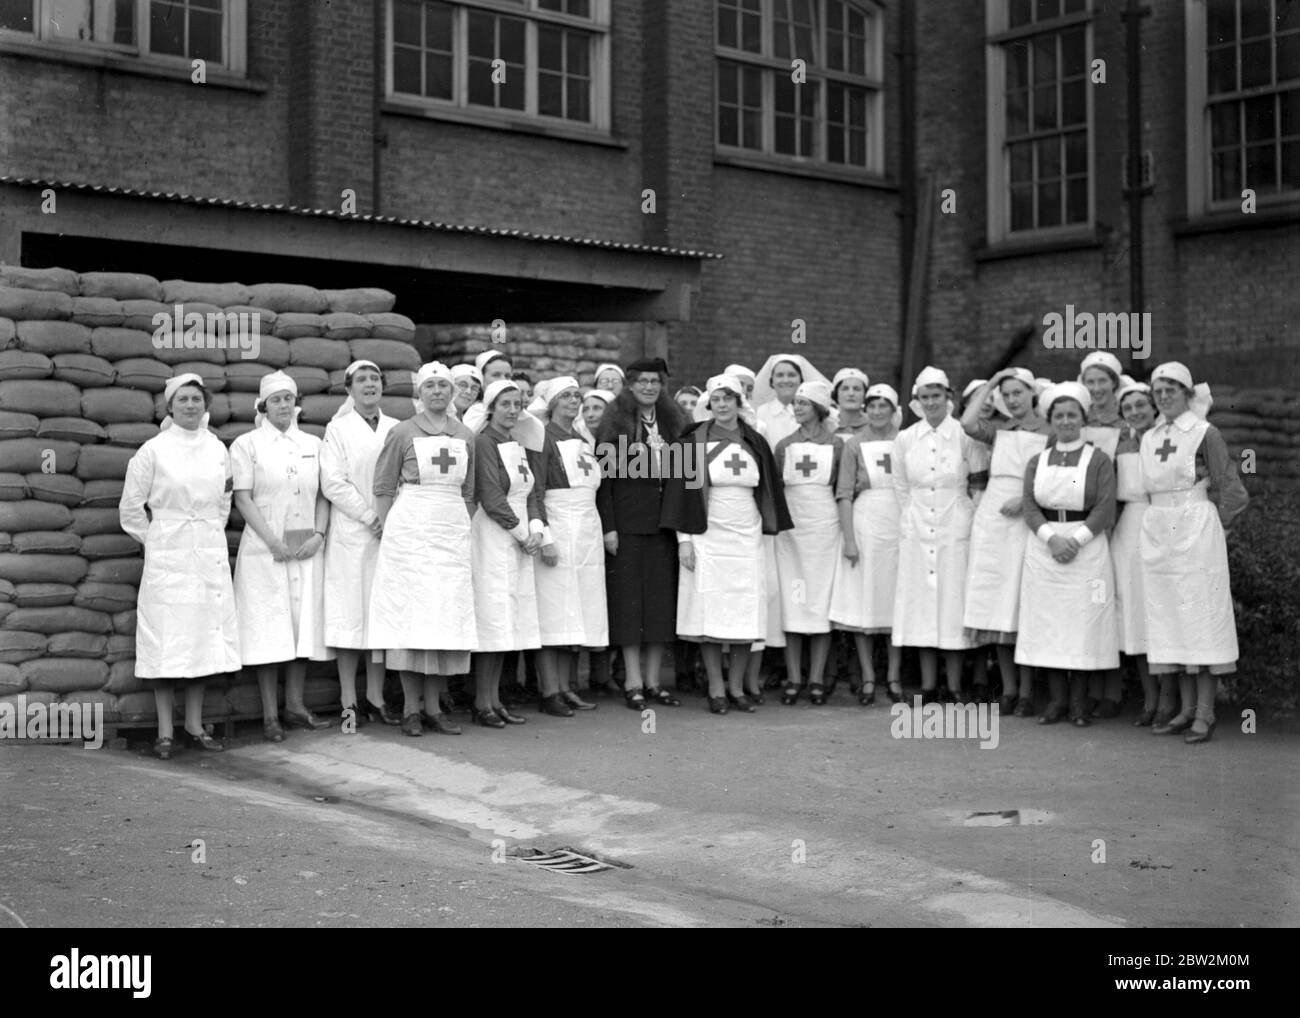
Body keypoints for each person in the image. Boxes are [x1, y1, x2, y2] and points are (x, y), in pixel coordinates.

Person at [120, 372, 239, 759]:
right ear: (169, 407)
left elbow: (225, 498)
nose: (191, 406)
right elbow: (131, 508)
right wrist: (157, 539)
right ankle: (166, 731)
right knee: (166, 638)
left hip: (206, 551)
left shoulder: (218, 449)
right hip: (168, 553)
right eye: (183, 400)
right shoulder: (153, 451)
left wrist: (207, 534)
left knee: (202, 637)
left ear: (206, 406)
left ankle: (193, 723)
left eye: (197, 399)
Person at [661, 374, 791, 714]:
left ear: (738, 403)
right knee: (710, 612)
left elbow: (768, 490)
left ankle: (736, 688)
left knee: (744, 610)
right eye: (716, 400)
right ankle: (716, 689)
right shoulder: (691, 442)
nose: (721, 405)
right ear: (709, 404)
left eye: (728, 399)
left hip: (746, 534)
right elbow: (679, 493)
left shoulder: (756, 441)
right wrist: (684, 541)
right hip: (706, 532)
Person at [366, 362, 477, 736]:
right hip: (410, 533)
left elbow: (470, 492)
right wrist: (391, 530)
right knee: (411, 620)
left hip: (450, 532)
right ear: (420, 392)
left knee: (443, 619)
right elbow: (382, 487)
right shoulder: (401, 433)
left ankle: (434, 707)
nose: (437, 393)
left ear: (451, 393)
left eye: (443, 386)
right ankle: (411, 709)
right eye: (430, 386)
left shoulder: (465, 435)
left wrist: (458, 527)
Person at [1141, 362, 1248, 744]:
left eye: (1171, 388)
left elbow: (1231, 488)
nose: (1164, 395)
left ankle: (1205, 712)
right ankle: (1184, 710)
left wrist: (1218, 525)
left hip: (1195, 529)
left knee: (1200, 621)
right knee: (1171, 619)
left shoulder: (1205, 432)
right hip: (1159, 532)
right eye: (1158, 390)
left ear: (1187, 393)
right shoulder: (1150, 436)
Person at [231, 371, 334, 742]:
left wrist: (320, 534)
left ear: (296, 403)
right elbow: (242, 497)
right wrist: (272, 541)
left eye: (288, 399)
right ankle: (270, 715)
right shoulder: (247, 444)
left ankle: (295, 706)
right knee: (268, 629)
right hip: (265, 549)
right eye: (275, 400)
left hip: (305, 545)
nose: (283, 406)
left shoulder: (313, 443)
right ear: (263, 405)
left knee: (300, 626)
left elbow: (324, 493)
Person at [1015, 382, 1120, 726]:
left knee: (1083, 626)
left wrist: (1074, 540)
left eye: (1071, 414)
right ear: (1050, 420)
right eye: (1058, 415)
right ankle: (1057, 702)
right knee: (1049, 626)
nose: (1065, 421)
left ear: (1083, 418)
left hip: (1086, 549)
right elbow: (1030, 506)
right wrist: (1051, 539)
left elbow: (1105, 507)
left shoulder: (1099, 460)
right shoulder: (1038, 461)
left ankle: (1079, 705)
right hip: (1045, 548)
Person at [595, 356, 689, 710]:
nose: (649, 387)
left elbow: (687, 477)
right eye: (642, 381)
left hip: (664, 526)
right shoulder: (615, 419)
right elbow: (603, 482)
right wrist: (610, 527)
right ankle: (632, 680)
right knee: (630, 604)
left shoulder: (674, 420)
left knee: (660, 605)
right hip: (628, 524)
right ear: (630, 385)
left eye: (655, 381)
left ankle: (653, 681)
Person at [959, 367, 1049, 716]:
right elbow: (967, 422)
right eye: (1006, 394)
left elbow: (1061, 477)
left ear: (1032, 393)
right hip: (994, 521)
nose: (1012, 400)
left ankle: (1027, 691)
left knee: (1022, 605)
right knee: (995, 603)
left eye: (1018, 393)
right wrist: (992, 382)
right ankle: (1009, 690)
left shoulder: (1050, 430)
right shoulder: (1000, 430)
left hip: (1029, 518)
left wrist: (1029, 503)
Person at [892, 367, 983, 702]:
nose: (931, 403)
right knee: (922, 607)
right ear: (917, 401)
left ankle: (955, 685)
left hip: (954, 524)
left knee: (951, 604)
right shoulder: (905, 438)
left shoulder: (963, 435)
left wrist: (964, 517)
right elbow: (901, 487)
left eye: (937, 396)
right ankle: (929, 686)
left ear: (949, 398)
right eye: (925, 397)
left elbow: (977, 481)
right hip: (917, 527)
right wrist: (912, 519)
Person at [319, 360, 401, 729]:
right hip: (354, 534)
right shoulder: (337, 430)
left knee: (380, 618)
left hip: (390, 534)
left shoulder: (397, 428)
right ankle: (349, 701)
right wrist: (371, 517)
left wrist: (393, 519)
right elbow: (333, 483)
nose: (370, 385)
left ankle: (376, 697)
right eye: (362, 380)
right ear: (349, 390)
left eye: (375, 379)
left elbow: (406, 478)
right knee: (350, 619)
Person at [471, 378, 545, 728]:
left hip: (517, 539)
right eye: (506, 404)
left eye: (518, 404)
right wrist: (520, 532)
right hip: (494, 535)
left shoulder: (517, 443)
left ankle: (496, 699)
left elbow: (529, 491)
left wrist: (535, 531)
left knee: (509, 620)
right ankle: (482, 701)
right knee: (493, 617)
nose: (513, 410)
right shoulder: (484, 442)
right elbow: (490, 495)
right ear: (492, 407)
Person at [531, 376, 606, 716]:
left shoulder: (583, 439)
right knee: (554, 610)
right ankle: (549, 691)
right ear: (551, 403)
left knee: (576, 610)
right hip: (559, 525)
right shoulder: (542, 437)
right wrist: (545, 535)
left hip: (586, 529)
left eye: (577, 395)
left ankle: (567, 687)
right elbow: (537, 490)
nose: (574, 402)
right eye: (566, 397)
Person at [829, 382, 903, 705]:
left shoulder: (905, 442)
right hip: (866, 522)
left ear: (892, 409)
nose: (875, 412)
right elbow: (844, 493)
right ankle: (869, 675)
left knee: (895, 602)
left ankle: (894, 676)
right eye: (870, 406)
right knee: (864, 601)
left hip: (899, 522)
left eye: (882, 406)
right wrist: (850, 539)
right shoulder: (854, 445)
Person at [773, 381, 844, 705]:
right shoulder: (784, 446)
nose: (798, 407)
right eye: (796, 403)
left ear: (818, 408)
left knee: (819, 602)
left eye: (804, 403)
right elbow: (775, 491)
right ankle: (793, 677)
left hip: (824, 532)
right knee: (794, 601)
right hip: (792, 533)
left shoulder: (837, 445)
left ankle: (816, 677)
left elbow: (841, 490)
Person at [1075, 351, 1126, 716]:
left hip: (1116, 522)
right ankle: (1092, 688)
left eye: (1101, 382)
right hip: (1081, 523)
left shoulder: (1125, 425)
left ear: (1114, 384)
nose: (1095, 389)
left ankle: (1113, 691)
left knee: (1112, 603)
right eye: (1089, 382)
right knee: (1087, 606)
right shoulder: (1076, 420)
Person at [1112, 377, 1159, 725]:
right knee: (1133, 615)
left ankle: (1170, 696)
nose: (1134, 412)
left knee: (1161, 612)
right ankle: (1151, 698)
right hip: (1129, 530)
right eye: (1127, 408)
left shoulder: (1167, 440)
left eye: (1140, 405)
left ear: (1153, 405)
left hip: (1162, 522)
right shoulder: (1120, 445)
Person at [752, 354, 832, 448]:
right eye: (780, 375)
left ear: (801, 380)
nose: (785, 380)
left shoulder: (814, 412)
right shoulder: (760, 412)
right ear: (772, 381)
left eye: (791, 375)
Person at [831, 368, 872, 440]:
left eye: (857, 389)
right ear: (836, 394)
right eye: (845, 389)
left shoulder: (875, 426)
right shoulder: (826, 426)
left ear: (865, 394)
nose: (851, 393)